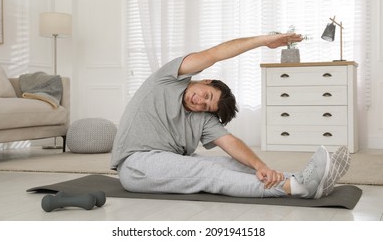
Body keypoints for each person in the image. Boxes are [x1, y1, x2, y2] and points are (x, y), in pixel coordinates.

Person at [111, 33, 350, 199]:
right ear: (205, 81)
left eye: (207, 106)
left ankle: (307, 179)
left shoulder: (202, 118)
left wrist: (262, 166)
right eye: (206, 95)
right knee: (207, 172)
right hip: (136, 166)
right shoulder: (167, 81)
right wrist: (265, 41)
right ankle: (295, 188)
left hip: (166, 164)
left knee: (230, 164)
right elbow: (215, 53)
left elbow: (231, 144)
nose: (200, 102)